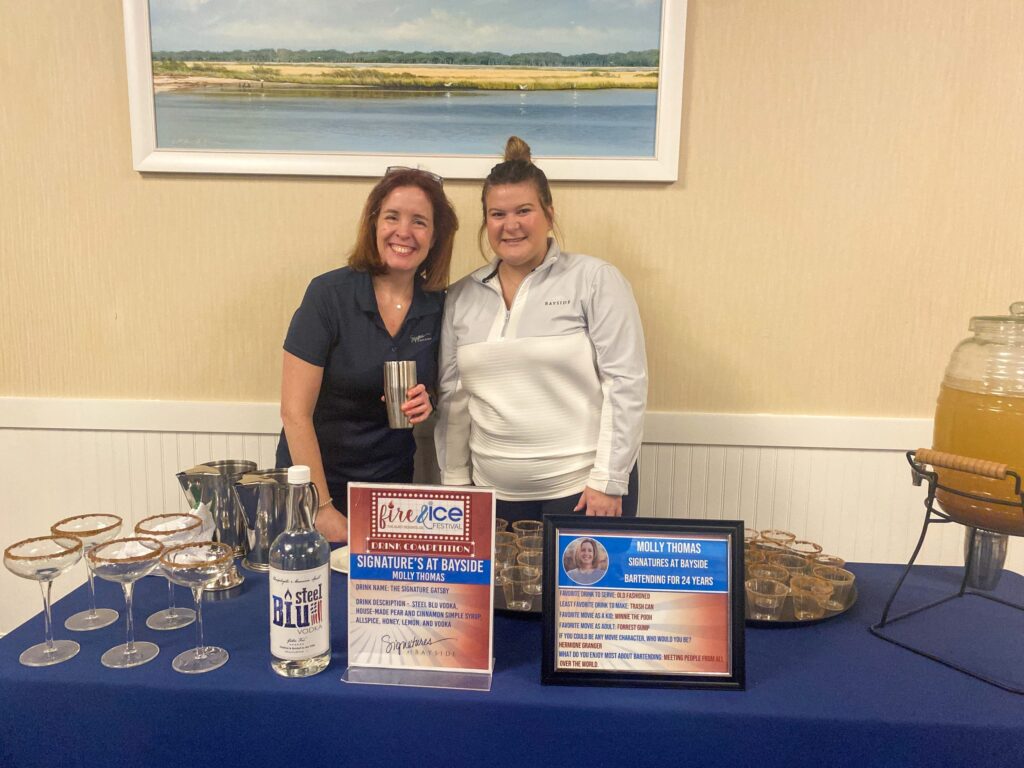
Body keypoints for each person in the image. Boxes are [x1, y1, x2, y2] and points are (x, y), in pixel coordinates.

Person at [435, 136, 647, 524]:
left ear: (549, 214)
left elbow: (625, 383)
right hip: (491, 497)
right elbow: (453, 398)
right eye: (497, 214)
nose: (510, 225)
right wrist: (455, 483)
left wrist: (609, 480)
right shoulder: (462, 295)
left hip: (583, 494)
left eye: (524, 211)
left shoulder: (595, 280)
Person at [278, 168, 458, 543]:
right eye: (392, 217)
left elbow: (443, 385)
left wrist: (429, 401)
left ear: (435, 237)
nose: (403, 232)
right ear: (374, 223)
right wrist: (322, 507)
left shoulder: (439, 305)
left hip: (390, 491)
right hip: (316, 485)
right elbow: (294, 413)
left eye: (420, 222)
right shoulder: (329, 295)